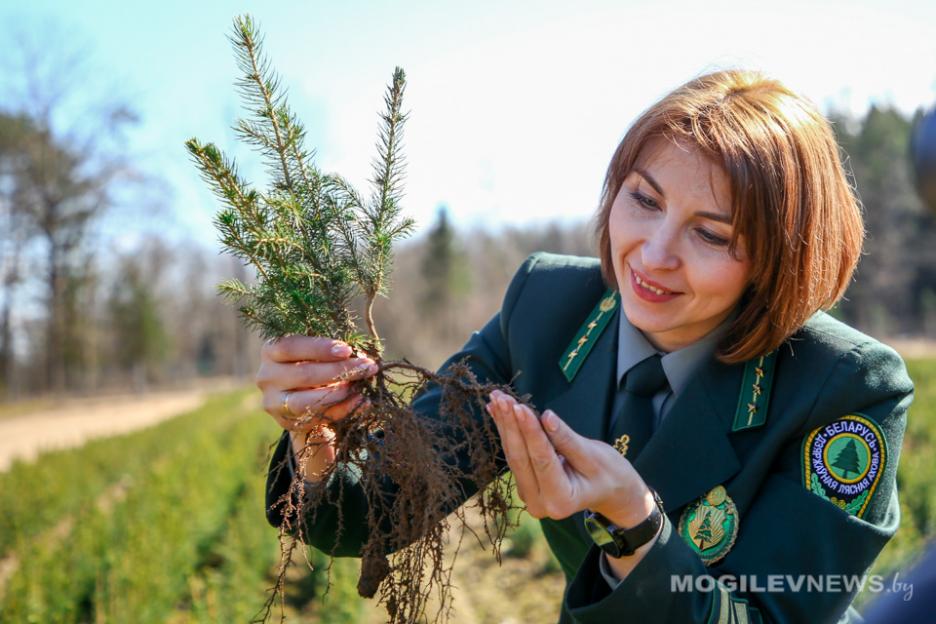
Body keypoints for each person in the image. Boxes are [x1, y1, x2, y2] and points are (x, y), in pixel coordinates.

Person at [257, 69, 914, 623]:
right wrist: (318, 446)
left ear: (780, 258)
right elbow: (381, 510)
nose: (653, 256)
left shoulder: (846, 387)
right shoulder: (544, 308)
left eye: (711, 235)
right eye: (643, 200)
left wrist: (637, 529)